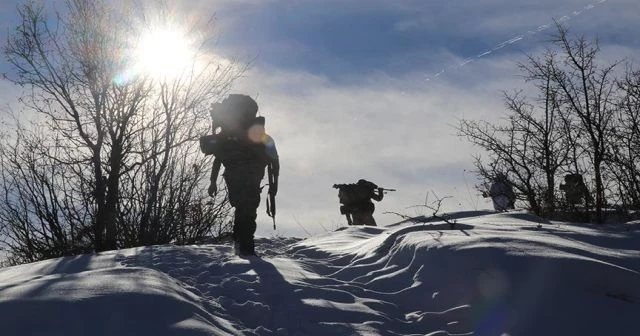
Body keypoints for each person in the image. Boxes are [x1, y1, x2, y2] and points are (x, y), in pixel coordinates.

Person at [206, 95, 279, 256]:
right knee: (247, 209)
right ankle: (244, 245)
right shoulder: (259, 137)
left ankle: (242, 244)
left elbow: (218, 158)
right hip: (251, 176)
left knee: (242, 207)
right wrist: (274, 187)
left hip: (233, 175)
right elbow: (275, 162)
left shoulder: (228, 138)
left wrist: (213, 182)